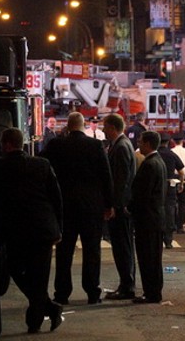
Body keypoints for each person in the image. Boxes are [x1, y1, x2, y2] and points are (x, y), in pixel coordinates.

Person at [0, 128, 64, 333]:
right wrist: (58, 228)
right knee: (40, 275)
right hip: (42, 231)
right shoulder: (42, 165)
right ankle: (45, 311)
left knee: (16, 269)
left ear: (7, 145)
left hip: (14, 231)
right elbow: (56, 198)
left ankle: (38, 318)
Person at [42, 111, 114, 305]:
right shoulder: (95, 145)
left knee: (64, 251)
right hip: (91, 206)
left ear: (68, 125)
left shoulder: (56, 145)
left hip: (64, 205)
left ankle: (62, 293)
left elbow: (43, 168)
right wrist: (109, 204)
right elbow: (106, 176)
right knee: (92, 250)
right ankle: (92, 292)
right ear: (82, 125)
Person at [101, 113, 137, 301]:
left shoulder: (121, 147)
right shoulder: (121, 145)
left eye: (105, 127)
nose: (103, 130)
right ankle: (126, 283)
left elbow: (121, 180)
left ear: (113, 128)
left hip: (121, 207)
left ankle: (127, 286)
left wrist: (115, 205)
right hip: (122, 205)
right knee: (123, 246)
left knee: (122, 247)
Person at [130, 130, 168, 304]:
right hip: (156, 216)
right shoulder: (158, 162)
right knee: (154, 257)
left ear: (147, 144)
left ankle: (150, 292)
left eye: (140, 141)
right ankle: (154, 291)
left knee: (147, 257)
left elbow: (142, 194)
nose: (138, 144)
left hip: (147, 218)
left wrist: (131, 209)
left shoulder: (149, 164)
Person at [157, 132, 185, 248]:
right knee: (170, 210)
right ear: (169, 142)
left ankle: (158, 236)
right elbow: (182, 172)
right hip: (170, 185)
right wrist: (181, 183)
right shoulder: (172, 154)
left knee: (157, 209)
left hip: (157, 186)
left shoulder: (155, 154)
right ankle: (168, 240)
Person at [170, 132, 185, 233]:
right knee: (183, 203)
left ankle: (173, 222)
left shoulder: (171, 151)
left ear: (172, 141)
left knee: (172, 202)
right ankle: (180, 225)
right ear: (182, 141)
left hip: (173, 178)